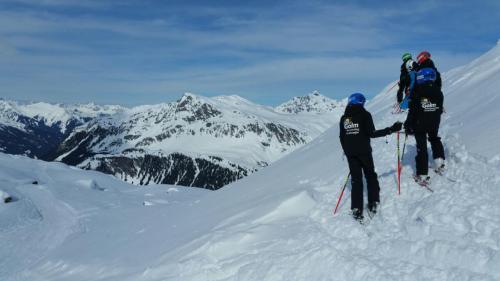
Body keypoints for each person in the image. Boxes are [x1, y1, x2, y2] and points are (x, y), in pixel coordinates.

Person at [339, 93, 402, 222]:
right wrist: (391, 129)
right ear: (361, 103)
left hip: (351, 154)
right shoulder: (365, 115)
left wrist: (347, 150)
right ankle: (373, 202)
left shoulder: (344, 118)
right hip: (364, 152)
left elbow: (342, 137)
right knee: (370, 176)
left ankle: (356, 208)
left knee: (356, 180)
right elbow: (372, 133)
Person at [404, 51, 445, 185]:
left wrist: (408, 125)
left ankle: (422, 173)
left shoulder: (418, 90)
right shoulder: (439, 91)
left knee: (421, 146)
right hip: (434, 118)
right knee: (434, 137)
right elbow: (439, 106)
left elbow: (413, 110)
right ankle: (439, 160)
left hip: (420, 122)